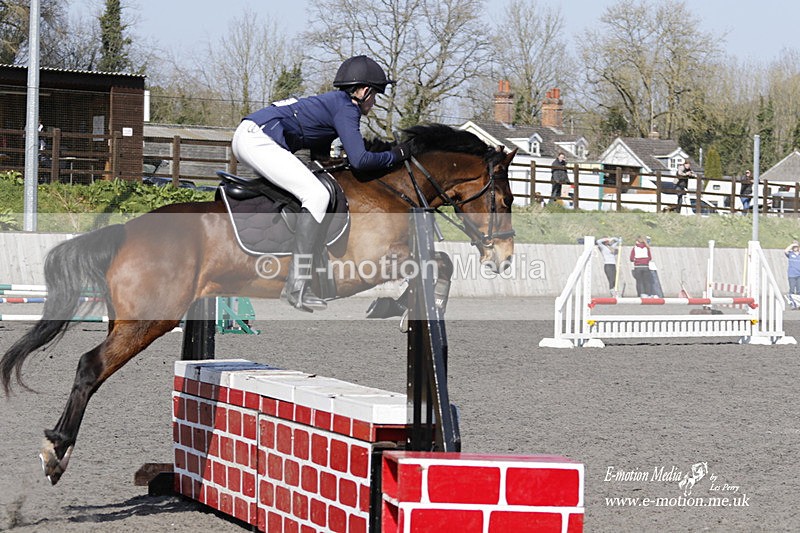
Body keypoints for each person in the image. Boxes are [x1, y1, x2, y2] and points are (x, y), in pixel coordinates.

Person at [231, 55, 412, 312]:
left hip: (251, 135)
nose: (374, 102)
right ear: (364, 91)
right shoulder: (347, 108)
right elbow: (360, 160)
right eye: (375, 95)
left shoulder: (333, 104)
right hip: (258, 138)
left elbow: (321, 158)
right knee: (316, 196)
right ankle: (296, 286)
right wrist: (397, 155)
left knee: (311, 189)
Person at [785, 240, 800, 310]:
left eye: (796, 247)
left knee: (799, 290)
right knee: (792, 290)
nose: (795, 248)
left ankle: (798, 303)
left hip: (799, 275)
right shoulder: (790, 254)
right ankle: (792, 303)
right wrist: (792, 245)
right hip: (792, 275)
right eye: (794, 247)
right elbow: (785, 251)